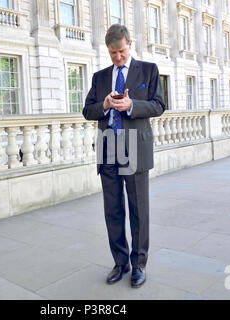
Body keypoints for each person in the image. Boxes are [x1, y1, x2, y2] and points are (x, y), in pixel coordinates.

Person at [82, 24, 165, 288]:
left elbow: (159, 105)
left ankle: (139, 264)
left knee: (138, 210)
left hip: (134, 147)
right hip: (108, 147)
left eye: (120, 51)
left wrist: (132, 105)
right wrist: (104, 105)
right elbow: (87, 110)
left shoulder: (149, 70)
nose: (117, 57)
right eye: (112, 53)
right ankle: (120, 263)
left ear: (130, 44)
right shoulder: (99, 77)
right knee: (113, 210)